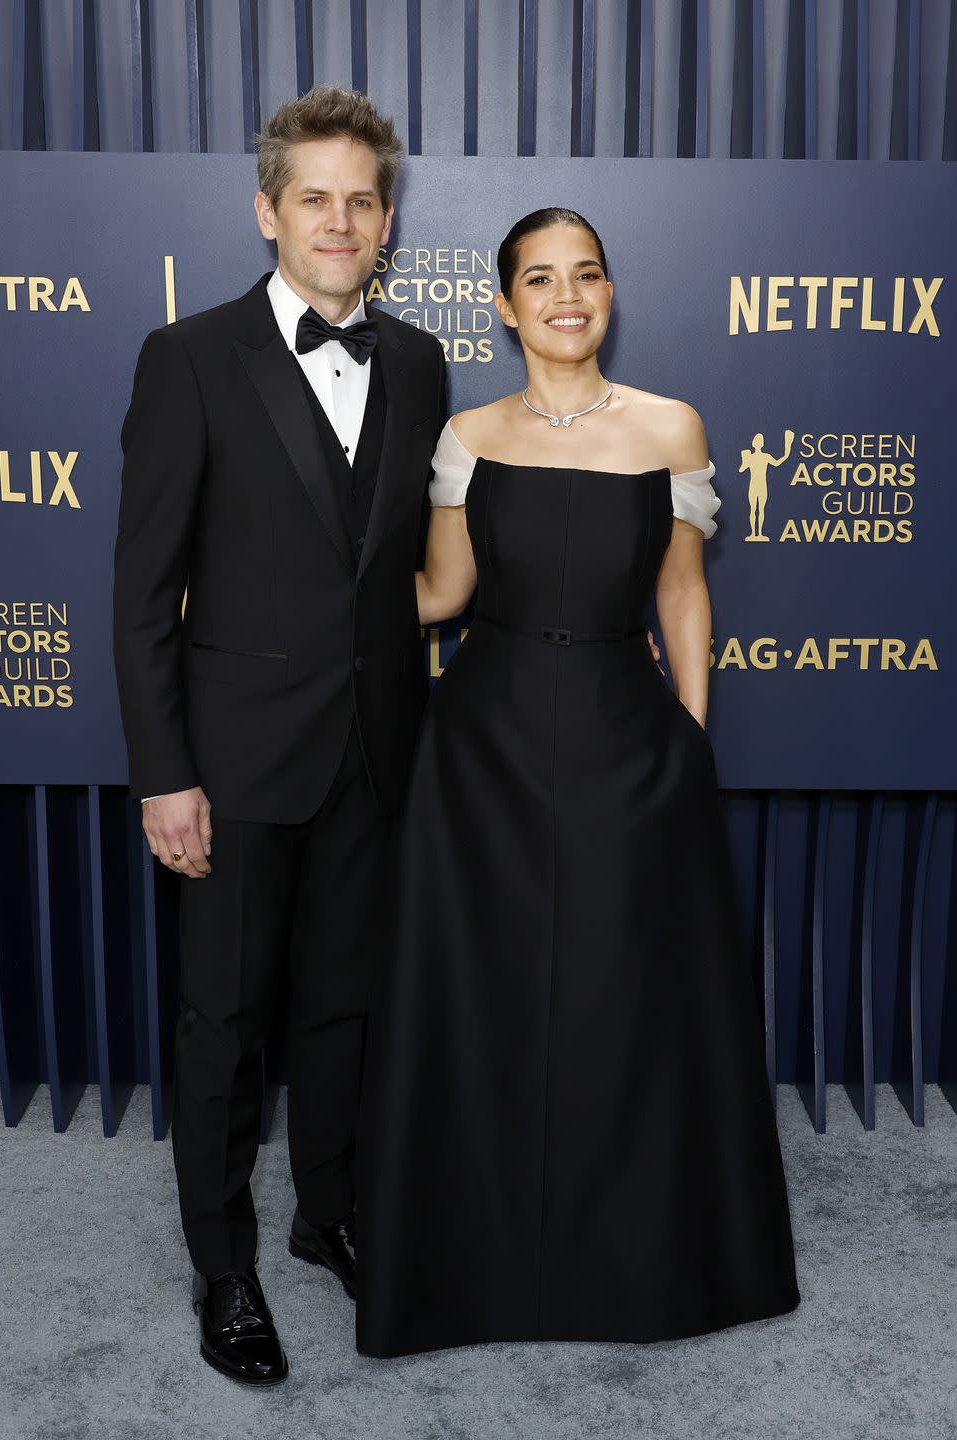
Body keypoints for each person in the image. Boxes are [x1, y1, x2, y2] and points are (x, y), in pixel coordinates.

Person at [356, 208, 800, 1357]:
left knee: (622, 1005)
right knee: (485, 1004)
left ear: (609, 294)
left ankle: (635, 1263)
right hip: (482, 754)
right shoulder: (467, 434)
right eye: (539, 279)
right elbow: (442, 594)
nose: (567, 295)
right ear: (503, 306)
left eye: (587, 275)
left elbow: (684, 595)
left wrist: (689, 741)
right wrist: (293, 592)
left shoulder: (671, 429)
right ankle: (476, 1264)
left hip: (626, 744)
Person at [113, 86, 445, 1385]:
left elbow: (405, 568)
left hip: (376, 751)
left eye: (363, 199)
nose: (341, 220)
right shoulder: (187, 358)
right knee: (223, 1024)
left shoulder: (418, 361)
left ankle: (327, 1216)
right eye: (315, 196)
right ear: (268, 213)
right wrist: (165, 777)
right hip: (233, 767)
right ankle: (225, 1269)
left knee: (346, 1014)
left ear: (387, 221)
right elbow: (142, 593)